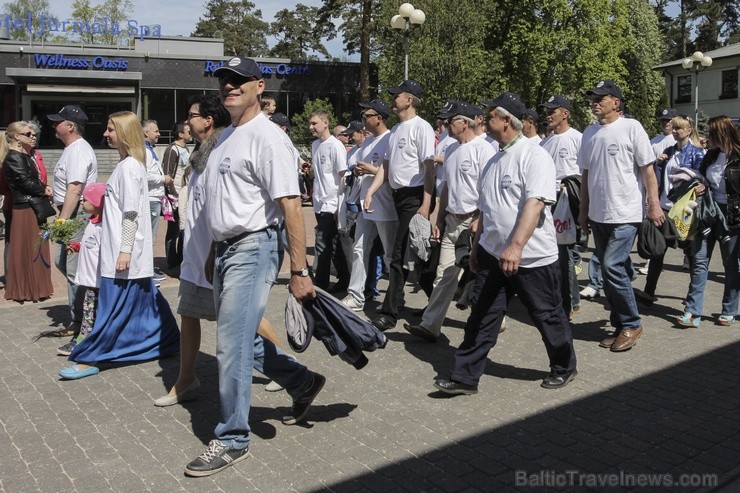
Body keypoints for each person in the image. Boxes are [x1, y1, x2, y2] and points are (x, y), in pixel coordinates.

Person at [185, 56, 324, 477]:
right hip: (227, 250)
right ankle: (301, 382)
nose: (230, 87)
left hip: (254, 248)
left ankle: (232, 438)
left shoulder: (268, 138)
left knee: (229, 344)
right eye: (225, 81)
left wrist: (299, 271)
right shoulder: (226, 136)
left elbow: (291, 205)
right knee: (239, 336)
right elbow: (219, 204)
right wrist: (211, 250)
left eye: (239, 80)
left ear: (259, 86)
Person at [434, 92, 577, 395]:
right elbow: (486, 210)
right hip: (491, 254)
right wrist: (476, 249)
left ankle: (565, 366)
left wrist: (516, 246)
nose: (484, 119)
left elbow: (535, 204)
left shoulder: (534, 155)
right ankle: (464, 377)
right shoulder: (494, 159)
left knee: (547, 315)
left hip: (531, 256)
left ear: (508, 121)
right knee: (482, 314)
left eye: (490, 115)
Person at [59, 111, 180, 380]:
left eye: (111, 129)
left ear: (124, 133)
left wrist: (125, 250)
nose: (106, 134)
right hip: (125, 253)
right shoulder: (129, 164)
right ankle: (168, 341)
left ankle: (95, 354)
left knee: (116, 309)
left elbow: (130, 213)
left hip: (123, 253)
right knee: (146, 303)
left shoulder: (129, 167)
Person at [154, 94, 231, 406]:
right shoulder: (200, 153)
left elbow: (222, 205)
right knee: (187, 312)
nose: (187, 121)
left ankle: (288, 370)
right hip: (195, 250)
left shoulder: (222, 152)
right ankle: (186, 380)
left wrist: (214, 248)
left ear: (208, 120)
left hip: (213, 251)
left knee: (240, 319)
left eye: (192, 115)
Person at [578, 80, 665, 352]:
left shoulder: (632, 127)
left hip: (626, 212)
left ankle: (631, 323)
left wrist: (654, 205)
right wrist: (583, 211)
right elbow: (585, 176)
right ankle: (619, 323)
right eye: (593, 97)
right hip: (599, 214)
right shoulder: (590, 133)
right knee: (611, 269)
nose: (595, 102)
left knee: (612, 266)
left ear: (616, 102)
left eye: (601, 97)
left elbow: (647, 170)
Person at [404, 101, 496, 342]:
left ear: (464, 123)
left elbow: (488, 190)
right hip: (453, 222)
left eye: (449, 120)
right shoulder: (452, 151)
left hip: (474, 223)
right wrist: (440, 218)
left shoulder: (484, 150)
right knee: (443, 275)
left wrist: (480, 219)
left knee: (481, 278)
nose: (445, 124)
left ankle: (498, 321)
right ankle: (430, 326)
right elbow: (446, 188)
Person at [365, 79, 436, 331]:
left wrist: (426, 204)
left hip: (415, 196)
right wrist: (372, 191)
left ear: (409, 100)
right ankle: (437, 300)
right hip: (398, 197)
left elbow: (428, 167)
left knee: (398, 255)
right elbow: (385, 165)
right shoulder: (395, 130)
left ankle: (389, 313)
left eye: (397, 95)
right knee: (416, 256)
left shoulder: (422, 127)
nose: (393, 98)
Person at [634, 115, 704, 306]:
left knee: (690, 254)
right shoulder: (669, 151)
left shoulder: (697, 153)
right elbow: (659, 177)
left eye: (678, 129)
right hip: (665, 207)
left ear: (688, 131)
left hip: (684, 211)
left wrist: (701, 187)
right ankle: (649, 292)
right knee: (658, 250)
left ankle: (693, 297)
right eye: (673, 128)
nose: (674, 131)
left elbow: (702, 179)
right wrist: (659, 163)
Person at [677, 115, 739, 328]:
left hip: (732, 216)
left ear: (721, 132)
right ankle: (693, 311)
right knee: (700, 260)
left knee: (731, 264)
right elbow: (700, 178)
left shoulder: (738, 154)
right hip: (708, 212)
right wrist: (699, 185)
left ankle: (729, 309)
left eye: (711, 133)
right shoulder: (711, 155)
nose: (706, 137)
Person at [342, 100, 398, 311]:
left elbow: (394, 174)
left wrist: (371, 171)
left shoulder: (390, 139)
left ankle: (395, 297)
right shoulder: (367, 142)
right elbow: (362, 167)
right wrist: (359, 171)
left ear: (379, 118)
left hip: (385, 206)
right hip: (366, 205)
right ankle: (356, 295)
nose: (363, 119)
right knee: (359, 248)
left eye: (367, 116)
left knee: (390, 254)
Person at [48, 105, 97, 336]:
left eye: (58, 121)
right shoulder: (71, 149)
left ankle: (81, 321)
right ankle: (80, 316)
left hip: (75, 213)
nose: (53, 125)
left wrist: (62, 221)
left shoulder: (78, 150)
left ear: (71, 126)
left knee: (73, 268)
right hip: (70, 212)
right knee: (63, 262)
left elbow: (75, 189)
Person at [539, 95, 582, 318]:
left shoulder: (577, 138)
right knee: (550, 251)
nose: (548, 114)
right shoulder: (544, 142)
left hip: (566, 201)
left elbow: (585, 171)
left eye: (552, 110)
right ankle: (555, 297)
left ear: (565, 113)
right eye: (546, 110)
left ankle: (570, 301)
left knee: (564, 252)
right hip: (547, 199)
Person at [1, 122, 54, 302]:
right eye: (28, 134)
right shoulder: (13, 158)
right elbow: (25, 182)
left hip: (31, 207)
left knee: (36, 247)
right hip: (25, 208)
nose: (33, 136)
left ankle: (36, 288)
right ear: (17, 136)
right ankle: (26, 289)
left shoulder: (24, 156)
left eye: (33, 134)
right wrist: (44, 189)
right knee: (28, 249)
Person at [57, 183, 106, 356]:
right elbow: (89, 245)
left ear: (97, 203)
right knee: (89, 309)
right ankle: (88, 339)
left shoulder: (103, 227)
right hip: (89, 280)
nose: (83, 201)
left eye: (86, 199)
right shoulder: (91, 222)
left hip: (97, 280)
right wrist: (77, 246)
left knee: (91, 311)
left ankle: (83, 341)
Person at [309, 110, 351, 291]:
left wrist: (339, 206)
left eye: (314, 123)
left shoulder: (335, 145)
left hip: (331, 201)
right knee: (332, 243)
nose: (311, 127)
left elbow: (343, 175)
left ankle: (321, 283)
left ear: (325, 123)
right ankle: (344, 277)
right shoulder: (315, 145)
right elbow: (317, 172)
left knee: (322, 240)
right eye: (310, 124)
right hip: (318, 200)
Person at [142, 119, 173, 284]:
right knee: (149, 238)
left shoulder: (148, 150)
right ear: (146, 132)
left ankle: (147, 270)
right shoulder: (145, 152)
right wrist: (164, 178)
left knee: (150, 237)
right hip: (151, 198)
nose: (159, 134)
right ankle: (146, 272)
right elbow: (145, 175)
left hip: (154, 198)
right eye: (156, 131)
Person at [161, 122, 192, 271]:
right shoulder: (172, 150)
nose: (190, 133)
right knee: (174, 230)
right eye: (188, 131)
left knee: (183, 228)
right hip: (175, 196)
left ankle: (180, 258)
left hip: (184, 194)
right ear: (180, 134)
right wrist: (173, 193)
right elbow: (167, 173)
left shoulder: (185, 149)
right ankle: (171, 261)